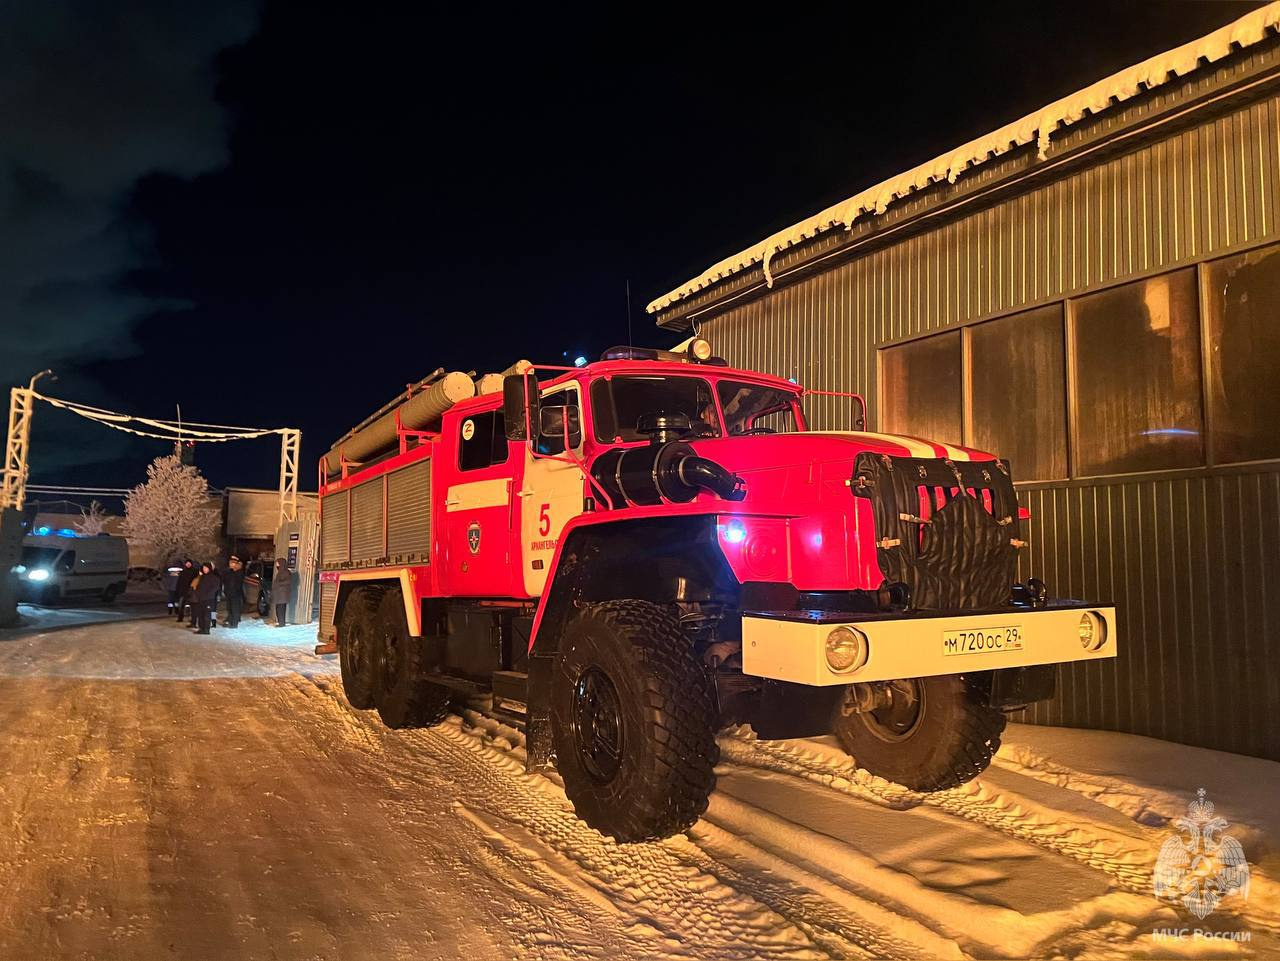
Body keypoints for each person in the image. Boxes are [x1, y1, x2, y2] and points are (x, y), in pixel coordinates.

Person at [191, 562, 222, 635]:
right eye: (203, 568)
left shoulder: (214, 577)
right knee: (200, 614)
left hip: (209, 599)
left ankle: (206, 629)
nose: (204, 569)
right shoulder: (202, 577)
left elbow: (216, 587)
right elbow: (197, 586)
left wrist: (209, 594)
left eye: (206, 568)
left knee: (207, 614)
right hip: (200, 599)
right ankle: (201, 628)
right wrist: (198, 594)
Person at [222, 555, 245, 628]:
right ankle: (230, 622)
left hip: (235, 594)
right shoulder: (229, 572)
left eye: (232, 563)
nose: (230, 564)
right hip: (229, 593)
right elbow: (225, 581)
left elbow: (237, 584)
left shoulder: (239, 572)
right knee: (229, 608)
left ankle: (234, 623)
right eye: (230, 563)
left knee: (235, 609)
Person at [272, 557, 293, 627]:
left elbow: (288, 581)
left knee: (281, 609)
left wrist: (279, 584)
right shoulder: (280, 572)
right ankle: (280, 622)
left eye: (277, 563)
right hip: (279, 594)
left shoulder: (286, 572)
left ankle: (282, 623)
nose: (276, 565)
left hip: (283, 594)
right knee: (278, 608)